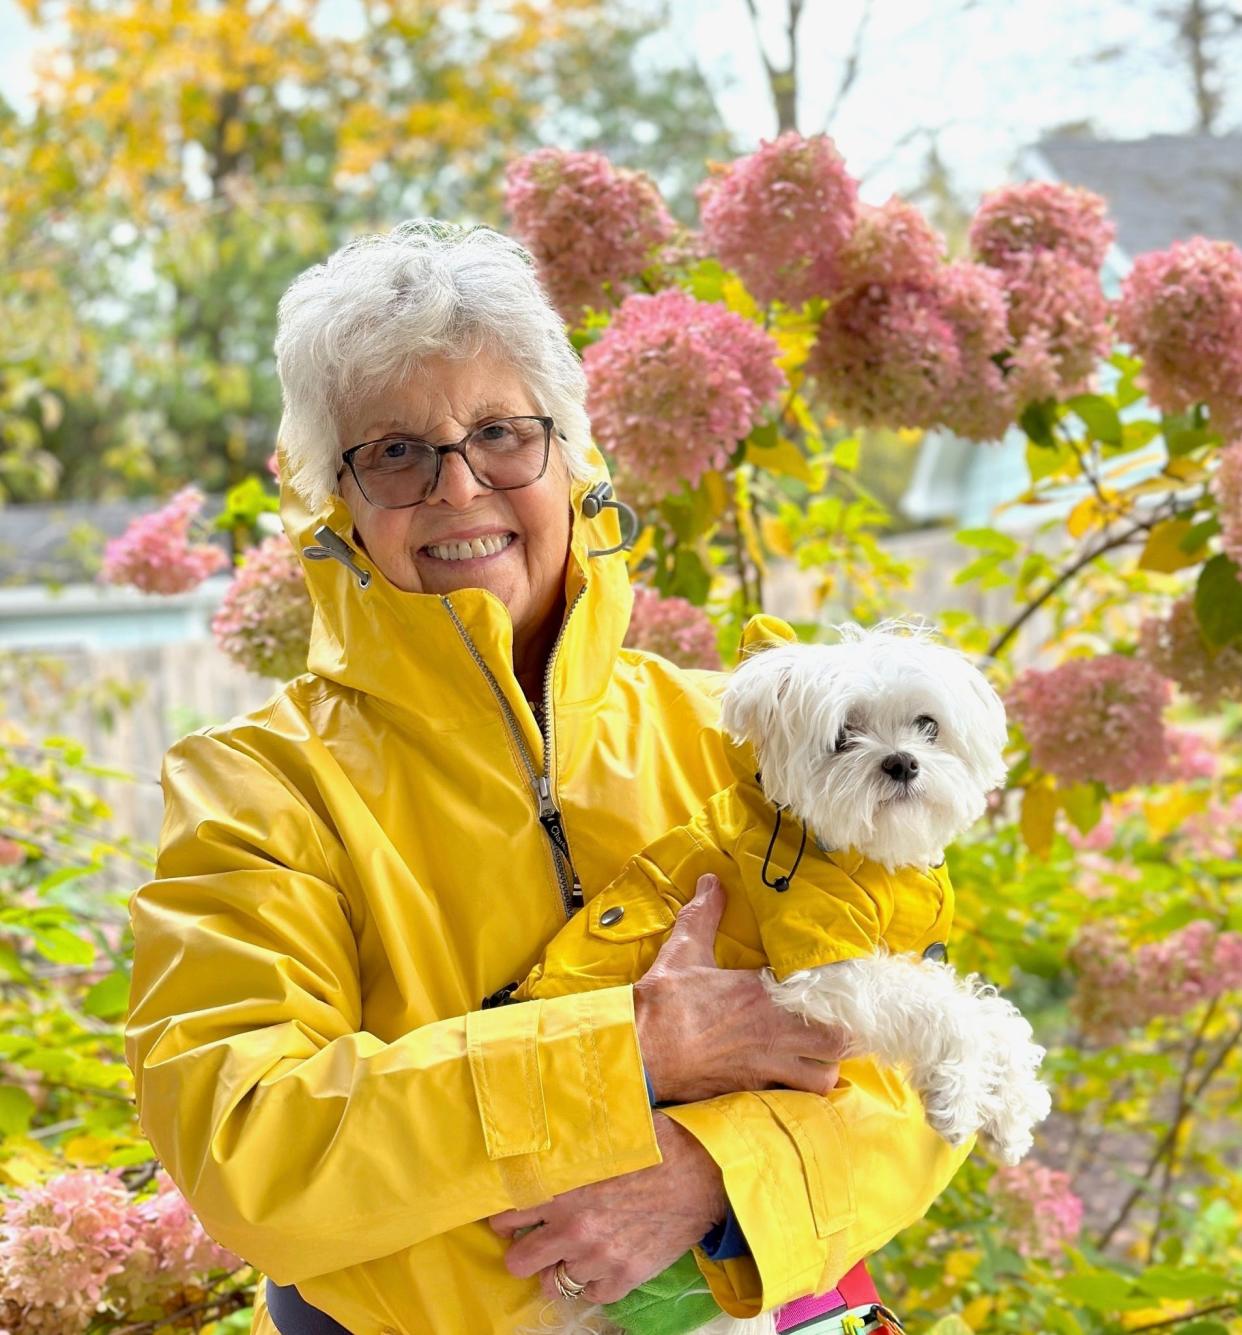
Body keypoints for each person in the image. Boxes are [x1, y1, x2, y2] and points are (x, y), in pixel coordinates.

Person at [124, 219, 975, 1335]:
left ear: (573, 462)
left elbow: (932, 1068)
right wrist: (634, 1051)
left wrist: (720, 1178)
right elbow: (251, 1147)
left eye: (502, 435)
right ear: (339, 510)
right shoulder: (259, 791)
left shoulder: (745, 734)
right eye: (395, 453)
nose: (459, 487)